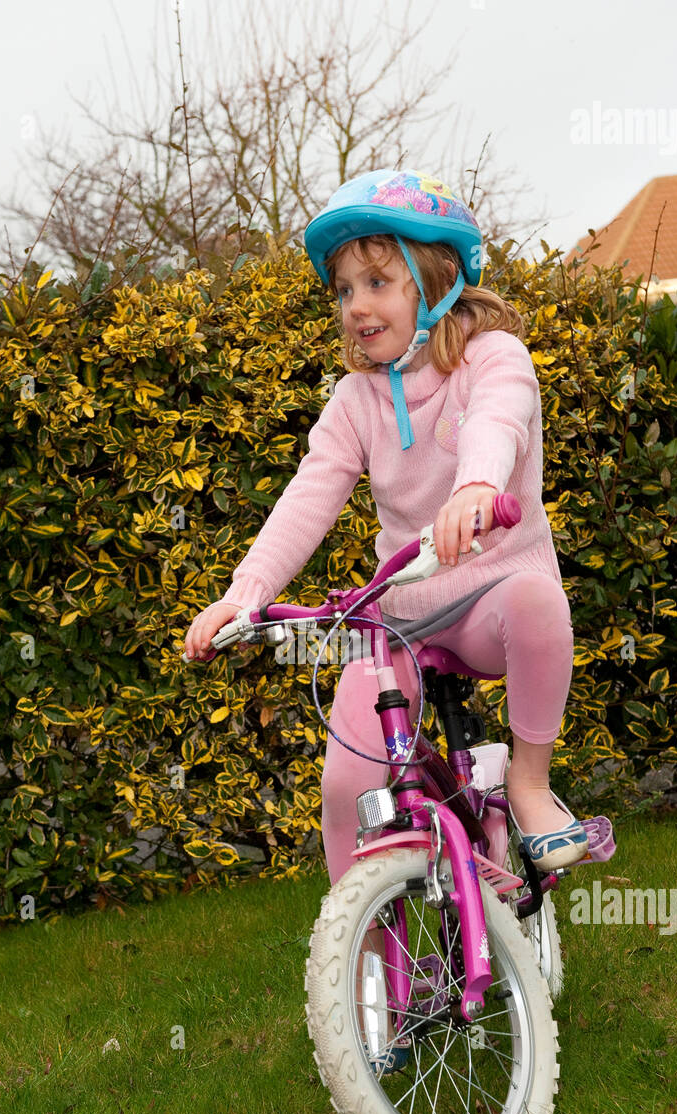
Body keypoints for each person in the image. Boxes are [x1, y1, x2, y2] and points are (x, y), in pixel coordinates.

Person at [183, 168, 589, 881]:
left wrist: (476, 489)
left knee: (539, 605)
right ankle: (361, 967)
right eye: (343, 291)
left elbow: (498, 422)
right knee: (348, 781)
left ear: (432, 282)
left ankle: (526, 784)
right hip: (402, 611)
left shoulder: (493, 358)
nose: (354, 306)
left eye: (376, 282)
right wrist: (243, 594)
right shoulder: (355, 401)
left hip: (493, 596)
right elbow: (309, 496)